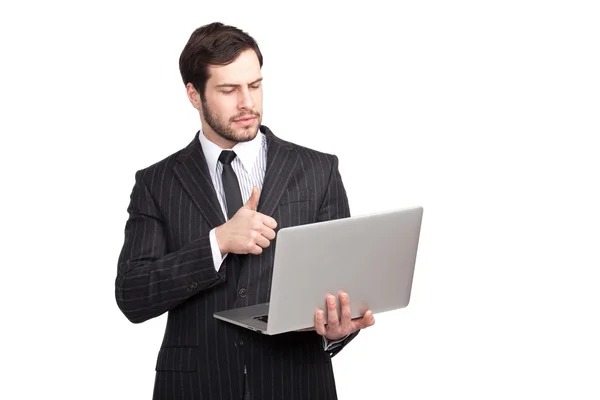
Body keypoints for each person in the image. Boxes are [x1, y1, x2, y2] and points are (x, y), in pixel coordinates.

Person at [115, 21, 375, 399]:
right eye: (228, 89)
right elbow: (133, 295)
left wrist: (338, 330)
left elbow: (340, 285)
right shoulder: (157, 183)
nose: (247, 103)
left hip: (296, 384)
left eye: (254, 85)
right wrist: (216, 243)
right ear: (193, 94)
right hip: (193, 386)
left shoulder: (319, 170)